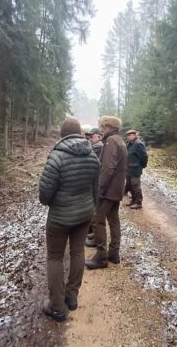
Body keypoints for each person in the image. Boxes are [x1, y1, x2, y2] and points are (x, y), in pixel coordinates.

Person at [39, 117, 100, 322]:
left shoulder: (56, 157)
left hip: (60, 217)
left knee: (55, 257)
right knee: (78, 252)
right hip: (84, 214)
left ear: (62, 134)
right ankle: (72, 297)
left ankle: (57, 306)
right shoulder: (92, 155)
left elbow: (44, 195)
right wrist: (89, 209)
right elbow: (95, 190)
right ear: (80, 134)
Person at [85, 116, 127, 269]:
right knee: (114, 219)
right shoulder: (120, 140)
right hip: (116, 189)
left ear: (109, 126)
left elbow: (108, 168)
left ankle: (101, 257)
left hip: (108, 190)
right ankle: (114, 254)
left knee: (97, 220)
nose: (102, 130)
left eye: (103, 127)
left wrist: (100, 188)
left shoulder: (110, 142)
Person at [85, 127, 104, 247]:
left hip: (97, 182)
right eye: (89, 137)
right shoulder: (95, 147)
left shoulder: (98, 147)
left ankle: (96, 237)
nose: (90, 139)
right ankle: (93, 232)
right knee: (94, 209)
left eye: (92, 136)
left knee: (96, 210)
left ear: (99, 137)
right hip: (95, 182)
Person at [124, 129, 148, 209]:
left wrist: (142, 166)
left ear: (134, 135)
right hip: (129, 168)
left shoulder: (138, 144)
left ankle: (138, 203)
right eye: (128, 135)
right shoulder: (130, 144)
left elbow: (144, 156)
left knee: (135, 185)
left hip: (135, 169)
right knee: (130, 185)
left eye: (130, 135)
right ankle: (133, 200)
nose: (128, 137)